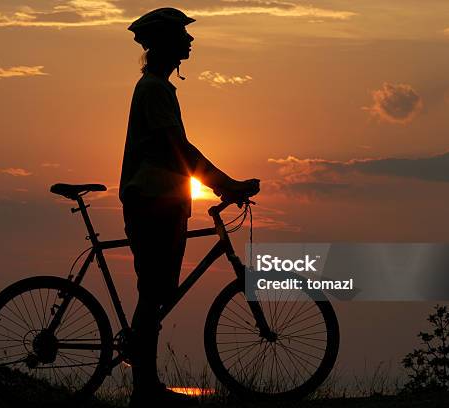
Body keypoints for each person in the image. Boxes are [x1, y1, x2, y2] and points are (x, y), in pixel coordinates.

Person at [119, 7, 260, 407]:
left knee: (156, 292)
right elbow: (177, 149)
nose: (190, 40)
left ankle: (146, 388)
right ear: (164, 42)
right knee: (152, 294)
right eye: (183, 34)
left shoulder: (158, 87)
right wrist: (223, 184)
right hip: (153, 201)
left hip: (161, 200)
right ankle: (145, 392)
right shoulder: (154, 90)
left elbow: (178, 150)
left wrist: (218, 183)